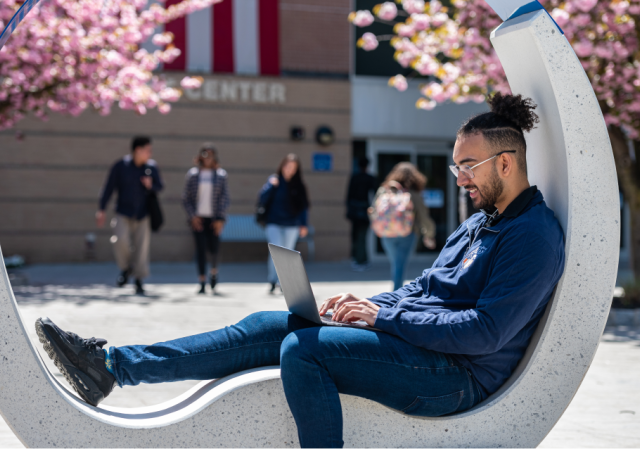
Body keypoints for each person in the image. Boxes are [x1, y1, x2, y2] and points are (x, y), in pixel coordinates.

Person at [36, 93, 565, 449]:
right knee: (271, 326)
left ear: (505, 162)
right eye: (455, 168)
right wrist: (371, 307)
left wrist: (381, 321)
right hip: (421, 348)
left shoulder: (533, 235)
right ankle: (112, 366)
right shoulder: (481, 223)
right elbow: (425, 288)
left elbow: (485, 332)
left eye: (466, 167)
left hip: (458, 376)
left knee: (304, 350)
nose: (458, 180)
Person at [97, 136, 163, 295]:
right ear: (137, 150)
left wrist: (150, 185)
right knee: (120, 240)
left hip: (143, 214)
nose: (150, 153)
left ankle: (139, 280)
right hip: (122, 212)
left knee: (142, 248)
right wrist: (101, 209)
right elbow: (109, 188)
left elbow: (160, 186)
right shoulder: (121, 166)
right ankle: (126, 268)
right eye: (148, 150)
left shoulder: (151, 167)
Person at [372, 162, 436, 291]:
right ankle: (395, 294)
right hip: (408, 233)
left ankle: (395, 292)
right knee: (399, 265)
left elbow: (374, 211)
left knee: (396, 264)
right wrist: (429, 234)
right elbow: (423, 216)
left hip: (387, 232)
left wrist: (377, 226)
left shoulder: (384, 190)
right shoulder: (413, 193)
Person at [182, 143, 230, 295]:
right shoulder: (193, 174)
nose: (207, 157)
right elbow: (186, 198)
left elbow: (224, 198)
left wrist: (220, 219)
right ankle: (202, 281)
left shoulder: (221, 175)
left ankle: (214, 274)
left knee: (214, 248)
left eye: (210, 154)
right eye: (205, 154)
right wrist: (192, 216)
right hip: (198, 218)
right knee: (200, 249)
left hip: (214, 218)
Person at [258, 154, 309, 293]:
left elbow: (303, 207)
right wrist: (271, 186)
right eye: (287, 166)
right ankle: (272, 280)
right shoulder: (274, 181)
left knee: (288, 252)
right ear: (282, 166)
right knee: (276, 250)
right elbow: (262, 198)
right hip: (274, 222)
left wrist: (304, 224)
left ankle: (283, 283)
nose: (289, 170)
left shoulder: (299, 185)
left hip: (292, 224)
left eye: (293, 167)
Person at [345, 157, 377, 271]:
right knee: (362, 236)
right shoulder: (370, 178)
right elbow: (376, 196)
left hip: (355, 211)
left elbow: (348, 196)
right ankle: (362, 260)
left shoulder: (355, 178)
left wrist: (348, 211)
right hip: (365, 211)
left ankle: (357, 259)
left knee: (356, 236)